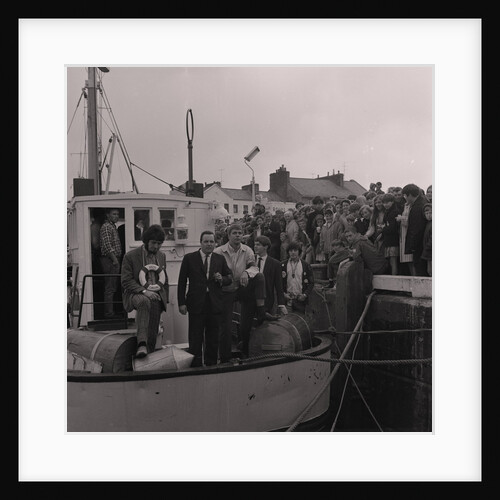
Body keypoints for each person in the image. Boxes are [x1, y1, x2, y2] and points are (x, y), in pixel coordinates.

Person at [213, 223, 269, 363]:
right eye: (234, 233)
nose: (238, 235)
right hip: (226, 290)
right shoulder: (219, 251)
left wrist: (246, 272)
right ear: (228, 235)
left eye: (239, 233)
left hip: (242, 288)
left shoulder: (247, 250)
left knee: (259, 278)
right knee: (225, 325)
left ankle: (245, 350)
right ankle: (225, 357)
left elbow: (254, 268)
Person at [177, 231, 232, 367]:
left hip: (214, 303)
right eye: (206, 241)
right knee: (195, 337)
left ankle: (211, 365)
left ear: (215, 243)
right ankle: (195, 366)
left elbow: (229, 278)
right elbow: (182, 282)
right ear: (200, 243)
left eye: (211, 242)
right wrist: (181, 303)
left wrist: (222, 279)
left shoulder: (220, 259)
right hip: (196, 303)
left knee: (213, 337)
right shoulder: (189, 258)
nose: (209, 244)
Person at [121, 224, 169, 358]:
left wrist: (166, 298)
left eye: (159, 243)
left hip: (156, 294)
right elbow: (126, 281)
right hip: (135, 294)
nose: (156, 247)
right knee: (144, 301)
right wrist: (144, 291)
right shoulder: (130, 256)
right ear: (146, 241)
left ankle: (149, 352)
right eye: (153, 243)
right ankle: (141, 344)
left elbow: (165, 278)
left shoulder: (161, 256)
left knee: (154, 325)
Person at [401, 183, 428, 276]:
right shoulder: (423, 201)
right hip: (424, 243)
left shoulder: (417, 207)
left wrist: (412, 246)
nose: (405, 198)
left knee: (420, 269)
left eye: (405, 195)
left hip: (419, 245)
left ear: (410, 195)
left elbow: (416, 228)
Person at [99, 208, 123, 318]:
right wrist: (115, 261)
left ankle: (112, 311)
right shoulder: (107, 227)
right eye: (114, 214)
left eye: (117, 214)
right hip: (110, 260)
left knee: (113, 286)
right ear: (107, 215)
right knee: (110, 287)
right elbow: (108, 246)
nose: (116, 216)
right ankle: (109, 313)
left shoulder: (113, 226)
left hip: (113, 259)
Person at [281, 241, 315, 314]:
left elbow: (311, 283)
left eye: (295, 250)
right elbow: (278, 283)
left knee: (299, 322)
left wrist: (305, 295)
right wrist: (283, 294)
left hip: (300, 301)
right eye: (290, 251)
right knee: (286, 322)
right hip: (287, 300)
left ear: (299, 252)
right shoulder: (282, 265)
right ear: (288, 252)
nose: (293, 252)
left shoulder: (306, 265)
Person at [380, 193, 401, 275]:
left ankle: (394, 278)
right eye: (384, 203)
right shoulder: (387, 212)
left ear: (392, 202)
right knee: (390, 261)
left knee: (393, 261)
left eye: (387, 202)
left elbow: (393, 228)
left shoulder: (395, 212)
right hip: (388, 240)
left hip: (393, 240)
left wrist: (383, 228)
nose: (385, 204)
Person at [421, 203, 432, 277]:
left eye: (431, 213)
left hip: (430, 251)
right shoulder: (428, 224)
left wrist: (428, 246)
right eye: (426, 213)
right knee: (429, 270)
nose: (429, 215)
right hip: (428, 252)